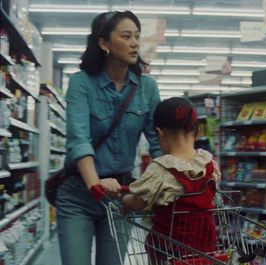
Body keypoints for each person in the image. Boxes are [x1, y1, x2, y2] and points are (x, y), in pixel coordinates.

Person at [56, 10, 162, 265]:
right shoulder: (81, 83)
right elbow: (79, 139)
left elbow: (159, 141)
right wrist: (95, 184)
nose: (135, 42)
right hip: (79, 195)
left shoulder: (147, 88)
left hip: (120, 198)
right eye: (126, 36)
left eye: (137, 36)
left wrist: (174, 175)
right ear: (103, 43)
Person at [122, 97, 221, 263]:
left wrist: (125, 200)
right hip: (204, 250)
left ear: (159, 133)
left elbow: (139, 202)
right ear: (196, 132)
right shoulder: (210, 164)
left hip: (168, 252)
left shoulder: (160, 169)